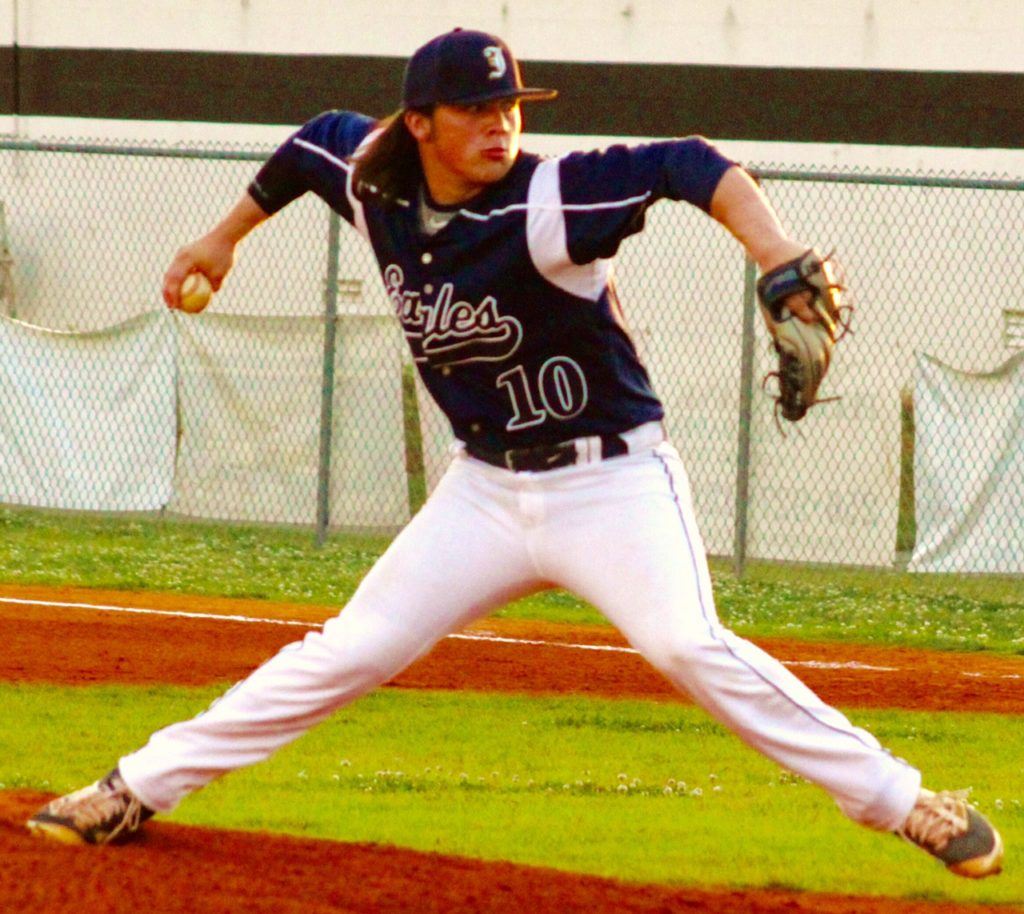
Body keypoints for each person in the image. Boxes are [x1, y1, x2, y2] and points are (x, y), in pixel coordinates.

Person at [27, 28, 1002, 879]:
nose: (501, 123)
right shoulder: (371, 180)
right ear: (420, 124)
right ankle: (131, 788)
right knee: (351, 647)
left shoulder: (550, 199)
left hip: (612, 481)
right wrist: (220, 237)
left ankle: (904, 799)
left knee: (685, 643)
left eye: (510, 104)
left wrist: (775, 255)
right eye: (475, 108)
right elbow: (304, 144)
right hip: (485, 489)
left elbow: (690, 164)